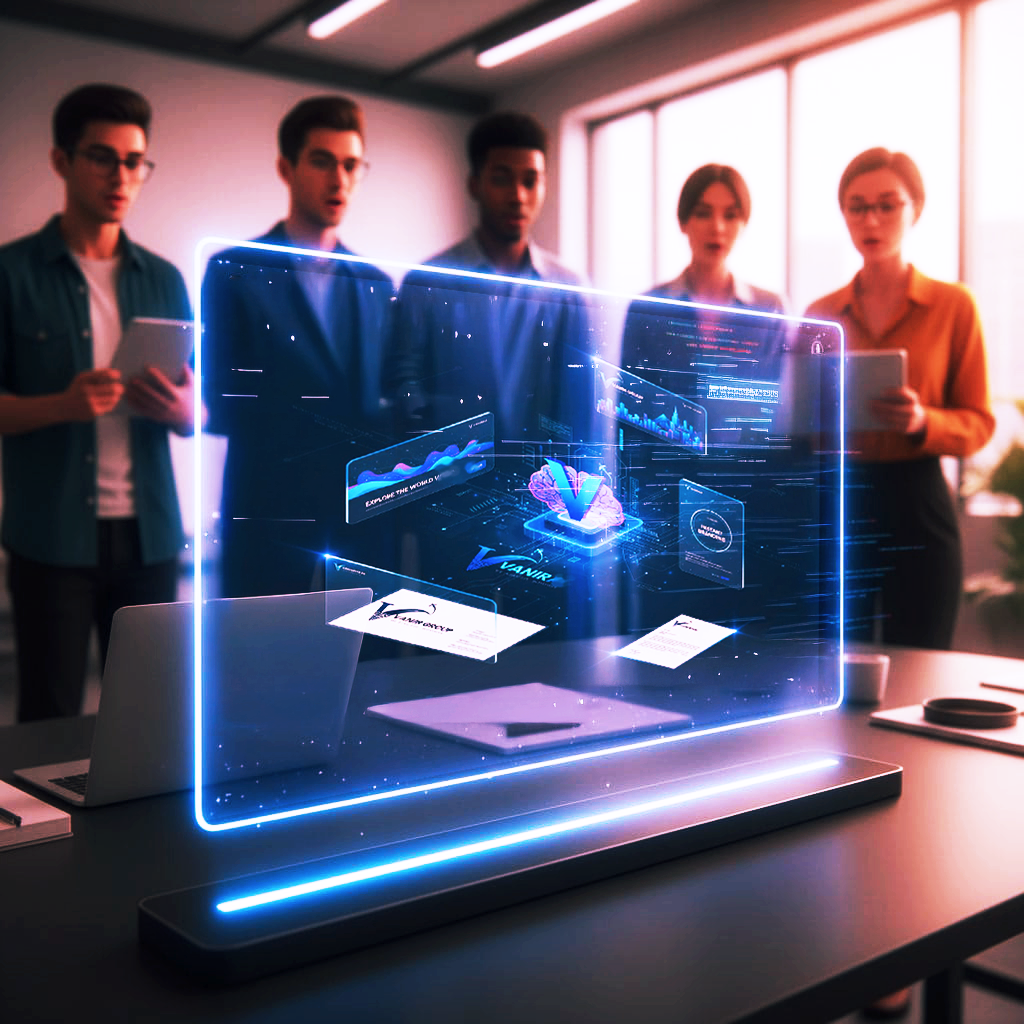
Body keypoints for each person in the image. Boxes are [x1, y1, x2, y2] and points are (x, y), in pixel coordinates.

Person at [0, 83, 195, 721]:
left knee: (149, 714)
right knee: (49, 717)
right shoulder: (12, 274)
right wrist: (63, 405)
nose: (121, 176)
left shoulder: (164, 278)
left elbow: (196, 409)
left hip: (151, 539)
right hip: (50, 539)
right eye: (103, 157)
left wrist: (182, 413)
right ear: (61, 160)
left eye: (135, 161)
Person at [202, 95, 395, 598]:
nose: (339, 179)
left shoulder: (376, 284)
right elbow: (222, 399)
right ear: (286, 169)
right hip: (269, 507)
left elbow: (385, 401)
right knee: (261, 641)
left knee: (362, 645)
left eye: (351, 165)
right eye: (323, 161)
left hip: (359, 512)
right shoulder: (234, 271)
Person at [806, 148, 994, 652]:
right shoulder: (821, 313)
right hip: (842, 498)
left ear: (917, 209)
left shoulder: (954, 306)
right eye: (857, 207)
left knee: (921, 661)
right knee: (835, 660)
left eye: (887, 205)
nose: (871, 220)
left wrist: (921, 420)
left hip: (919, 500)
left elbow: (979, 422)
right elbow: (799, 422)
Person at [391, 111, 588, 443]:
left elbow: (581, 402)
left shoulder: (570, 289)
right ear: (474, 184)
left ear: (544, 186)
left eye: (530, 181)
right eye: (501, 179)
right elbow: (405, 392)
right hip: (453, 467)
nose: (518, 196)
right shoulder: (426, 282)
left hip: (544, 472)